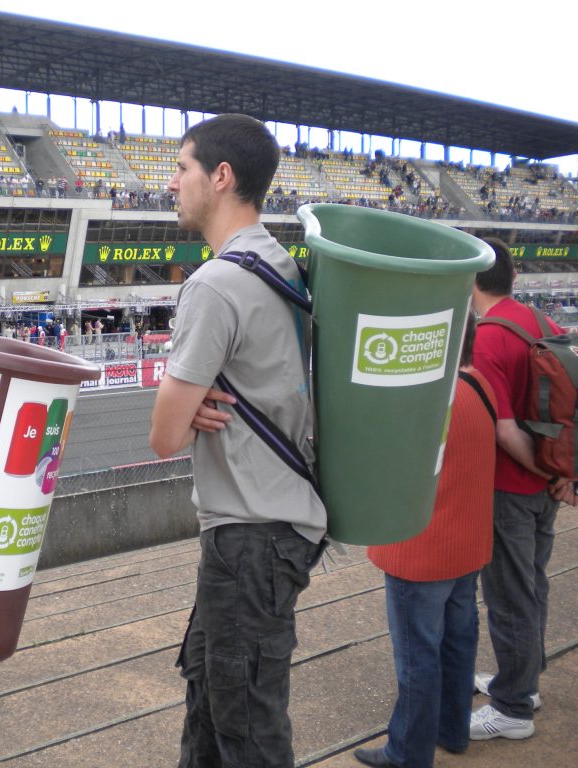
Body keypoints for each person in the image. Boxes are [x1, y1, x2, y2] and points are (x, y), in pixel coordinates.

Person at [150, 114, 325, 768]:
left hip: (248, 534)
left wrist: (186, 407)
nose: (171, 183)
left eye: (182, 168)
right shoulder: (279, 264)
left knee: (246, 730)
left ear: (221, 177)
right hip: (272, 529)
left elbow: (164, 434)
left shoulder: (215, 283)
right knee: (211, 711)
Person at [355, 314, 496, 768]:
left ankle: (407, 753)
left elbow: (383, 470)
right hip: (468, 545)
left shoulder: (424, 401)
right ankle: (453, 730)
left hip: (419, 552)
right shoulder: (481, 389)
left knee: (418, 658)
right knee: (459, 643)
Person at [468, 237, 575, 741]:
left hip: (511, 488)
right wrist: (560, 472)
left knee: (510, 595)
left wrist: (535, 471)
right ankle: (522, 682)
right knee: (533, 584)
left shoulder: (489, 335)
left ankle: (512, 707)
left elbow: (503, 430)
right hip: (547, 486)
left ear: (472, 278)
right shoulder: (542, 322)